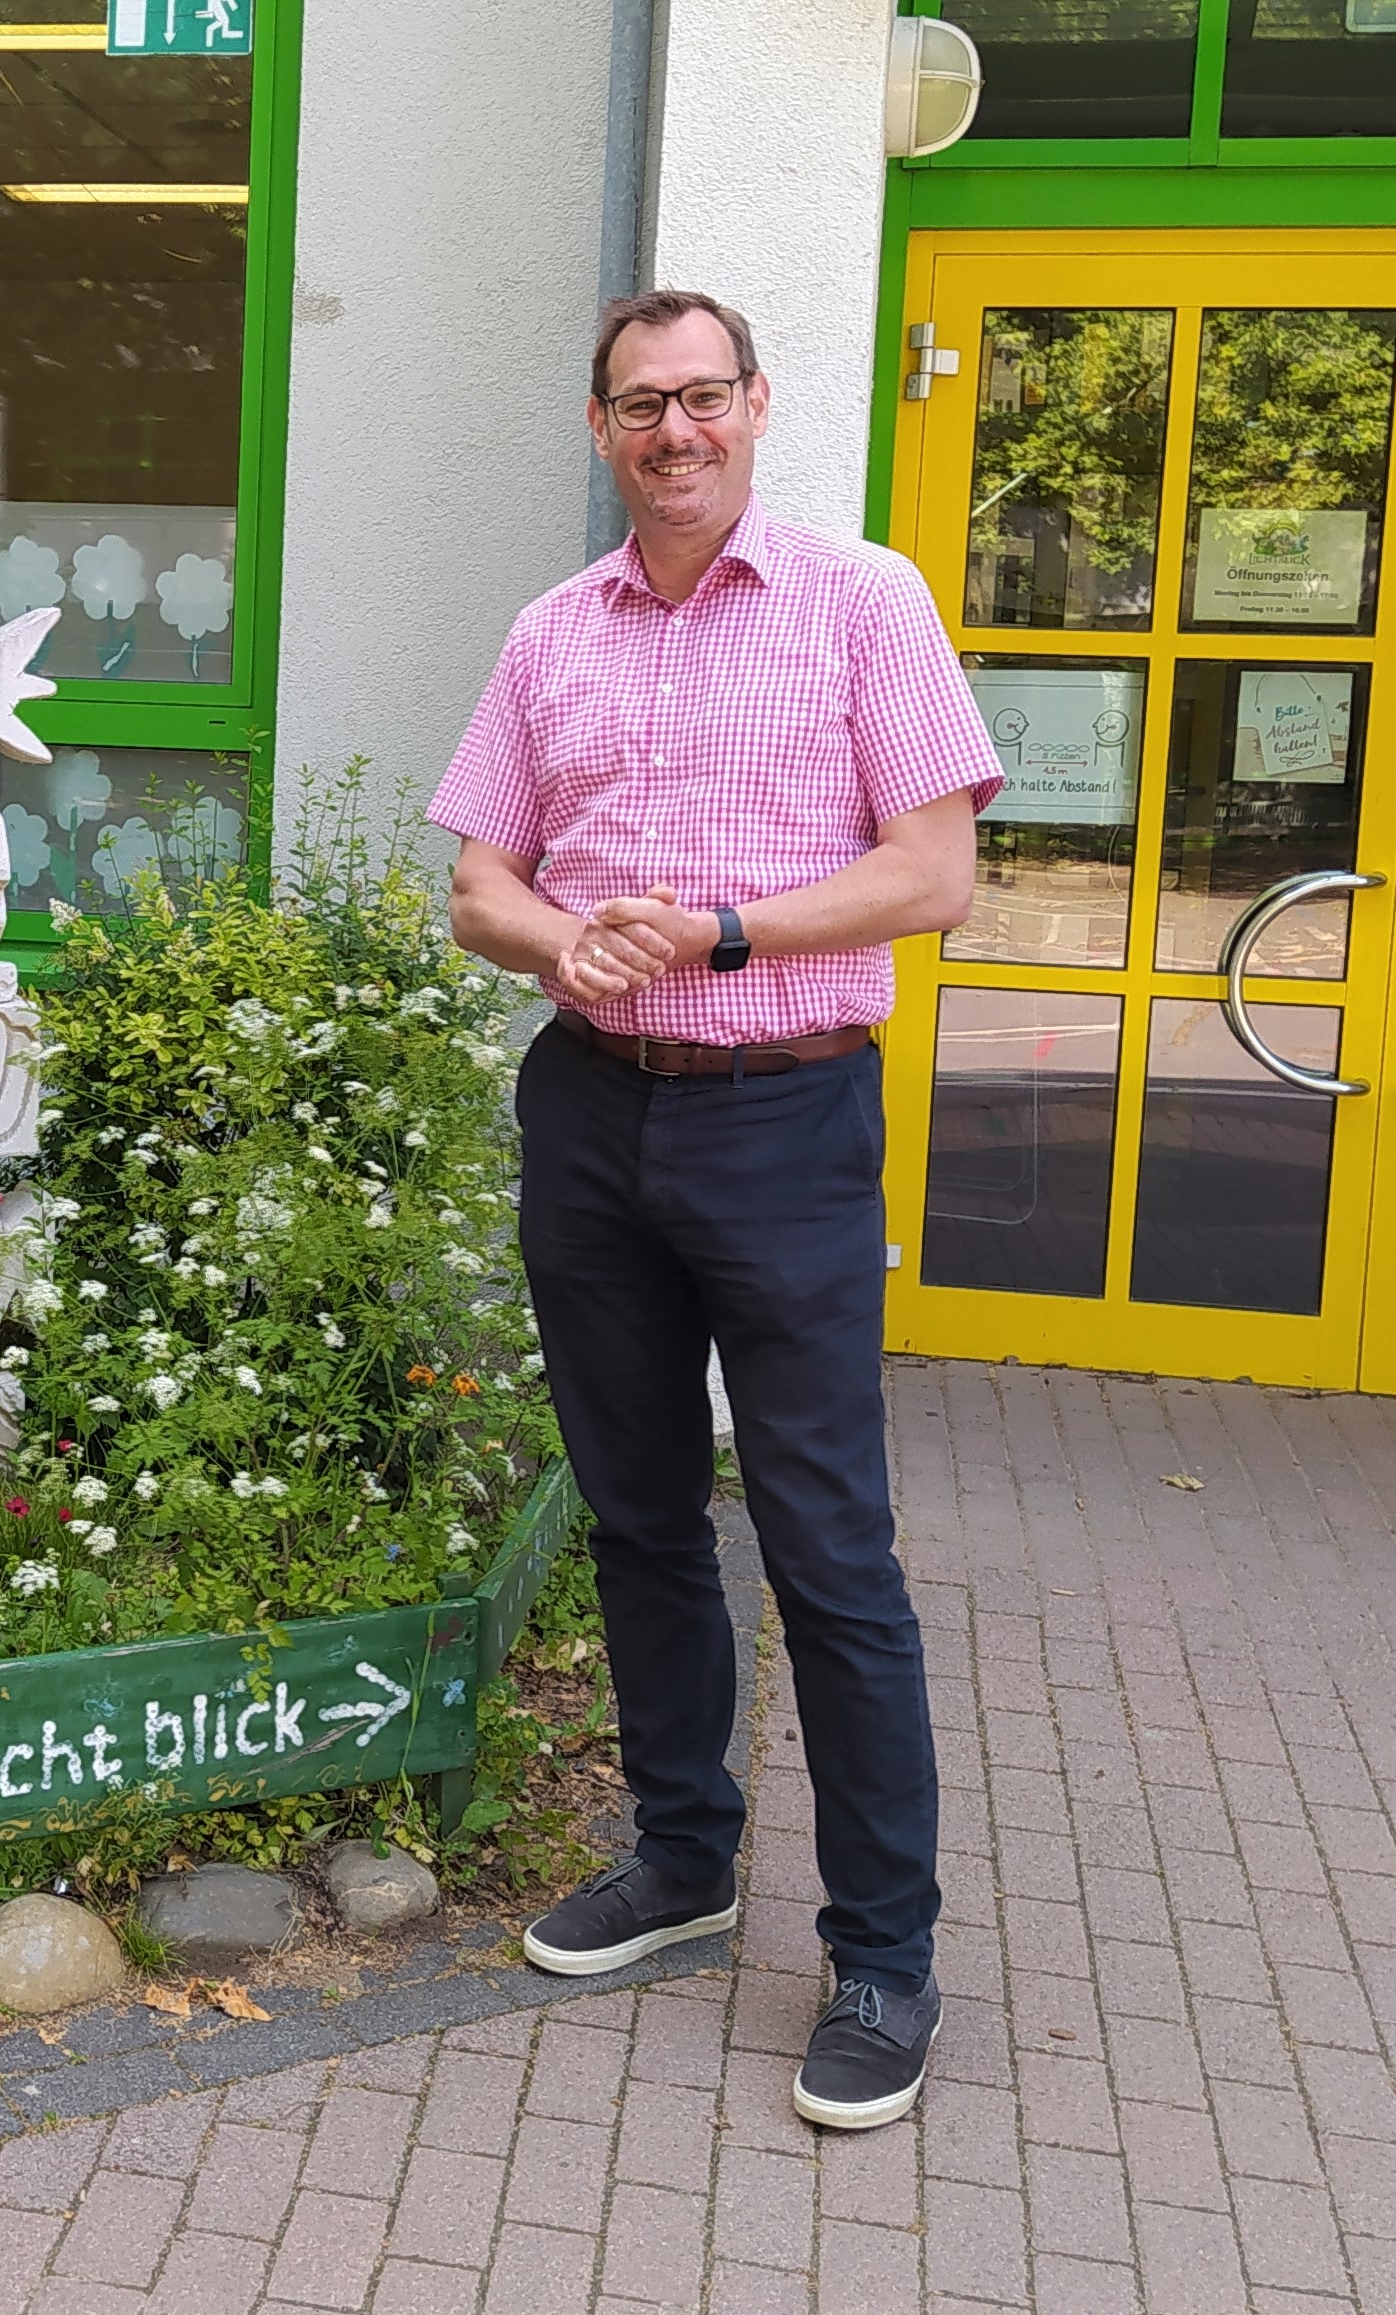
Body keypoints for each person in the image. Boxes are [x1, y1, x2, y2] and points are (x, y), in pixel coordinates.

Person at [430, 290, 996, 2132]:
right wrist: (556, 936)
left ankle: (884, 1956)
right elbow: (476, 883)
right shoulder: (547, 633)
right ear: (599, 430)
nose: (670, 432)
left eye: (699, 399)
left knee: (829, 1543)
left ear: (753, 408)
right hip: (593, 1111)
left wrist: (729, 929)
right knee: (640, 1512)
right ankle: (681, 1859)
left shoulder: (862, 601)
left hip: (783, 1111)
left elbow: (935, 875)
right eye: (634, 407)